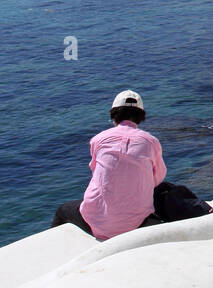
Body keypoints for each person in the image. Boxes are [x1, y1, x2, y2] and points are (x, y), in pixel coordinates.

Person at [51, 90, 166, 240]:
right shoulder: (151, 141)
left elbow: (98, 173)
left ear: (114, 114)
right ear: (141, 116)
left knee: (62, 210)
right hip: (136, 224)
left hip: (96, 221)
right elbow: (157, 178)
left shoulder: (98, 139)